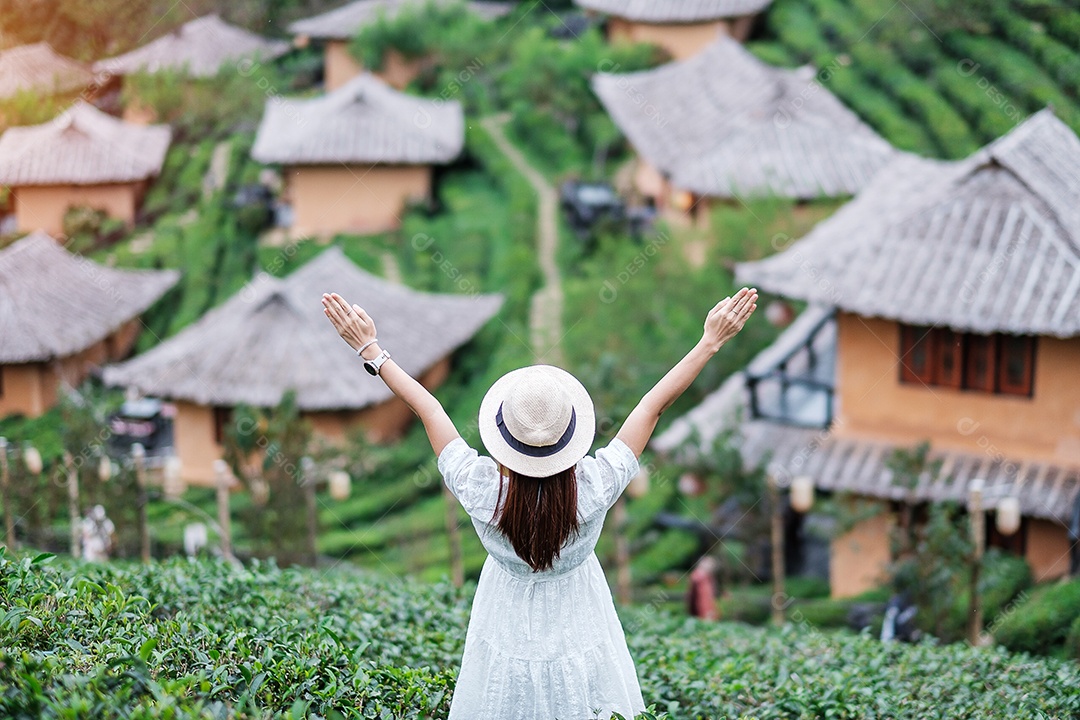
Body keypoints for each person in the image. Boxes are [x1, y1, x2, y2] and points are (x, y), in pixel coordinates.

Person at [322, 287, 758, 720]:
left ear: (503, 441)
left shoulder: (482, 490)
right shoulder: (594, 485)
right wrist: (709, 342)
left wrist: (371, 350)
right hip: (581, 613)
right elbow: (652, 408)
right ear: (568, 439)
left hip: (503, 614)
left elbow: (428, 409)